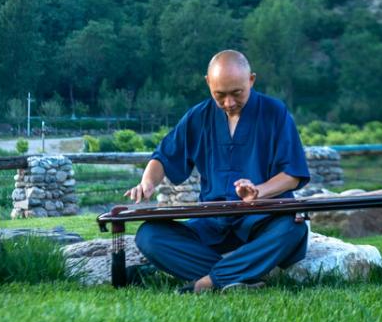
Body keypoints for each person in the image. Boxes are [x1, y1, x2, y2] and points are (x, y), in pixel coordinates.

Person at [125, 50, 310, 292]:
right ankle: (240, 276)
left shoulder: (275, 113)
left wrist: (258, 192)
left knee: (292, 229)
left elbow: (293, 174)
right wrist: (148, 182)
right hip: (211, 221)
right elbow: (163, 156)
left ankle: (209, 282)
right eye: (219, 95)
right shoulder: (198, 117)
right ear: (208, 84)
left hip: (263, 218)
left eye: (237, 93)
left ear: (251, 80)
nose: (229, 103)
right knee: (150, 235)